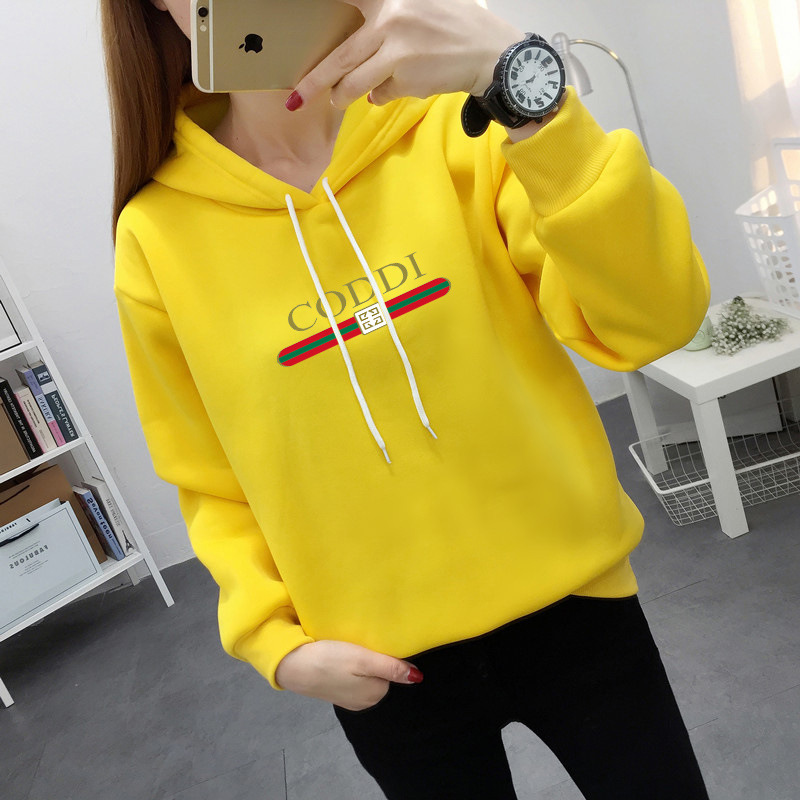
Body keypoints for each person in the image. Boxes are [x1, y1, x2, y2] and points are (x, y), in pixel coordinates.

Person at [102, 0, 713, 797]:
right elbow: (206, 474)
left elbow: (655, 319)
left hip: (578, 607)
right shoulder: (157, 234)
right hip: (381, 666)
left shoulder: (459, 124)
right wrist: (273, 642)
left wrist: (522, 84)